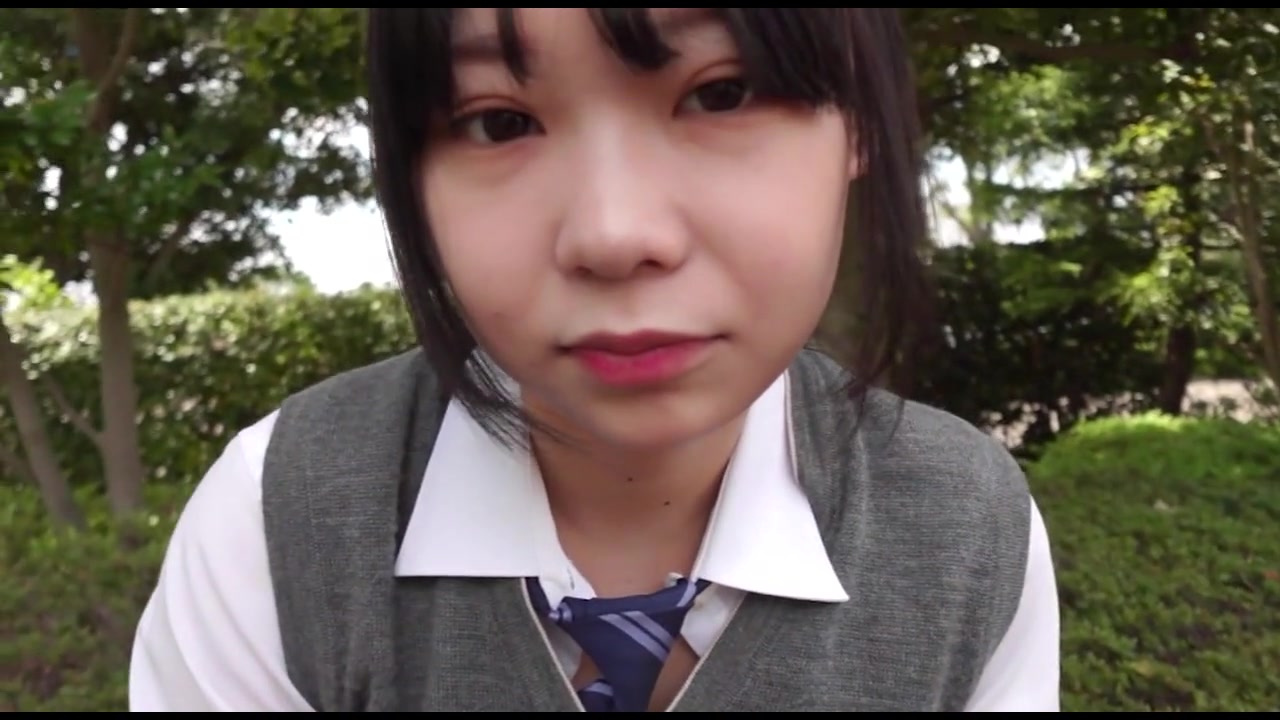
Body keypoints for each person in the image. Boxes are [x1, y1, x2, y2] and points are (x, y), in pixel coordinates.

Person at [128, 7, 1060, 713]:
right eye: (498, 122)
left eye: (721, 93)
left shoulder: (967, 533)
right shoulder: (278, 520)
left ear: (859, 122)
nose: (615, 234)